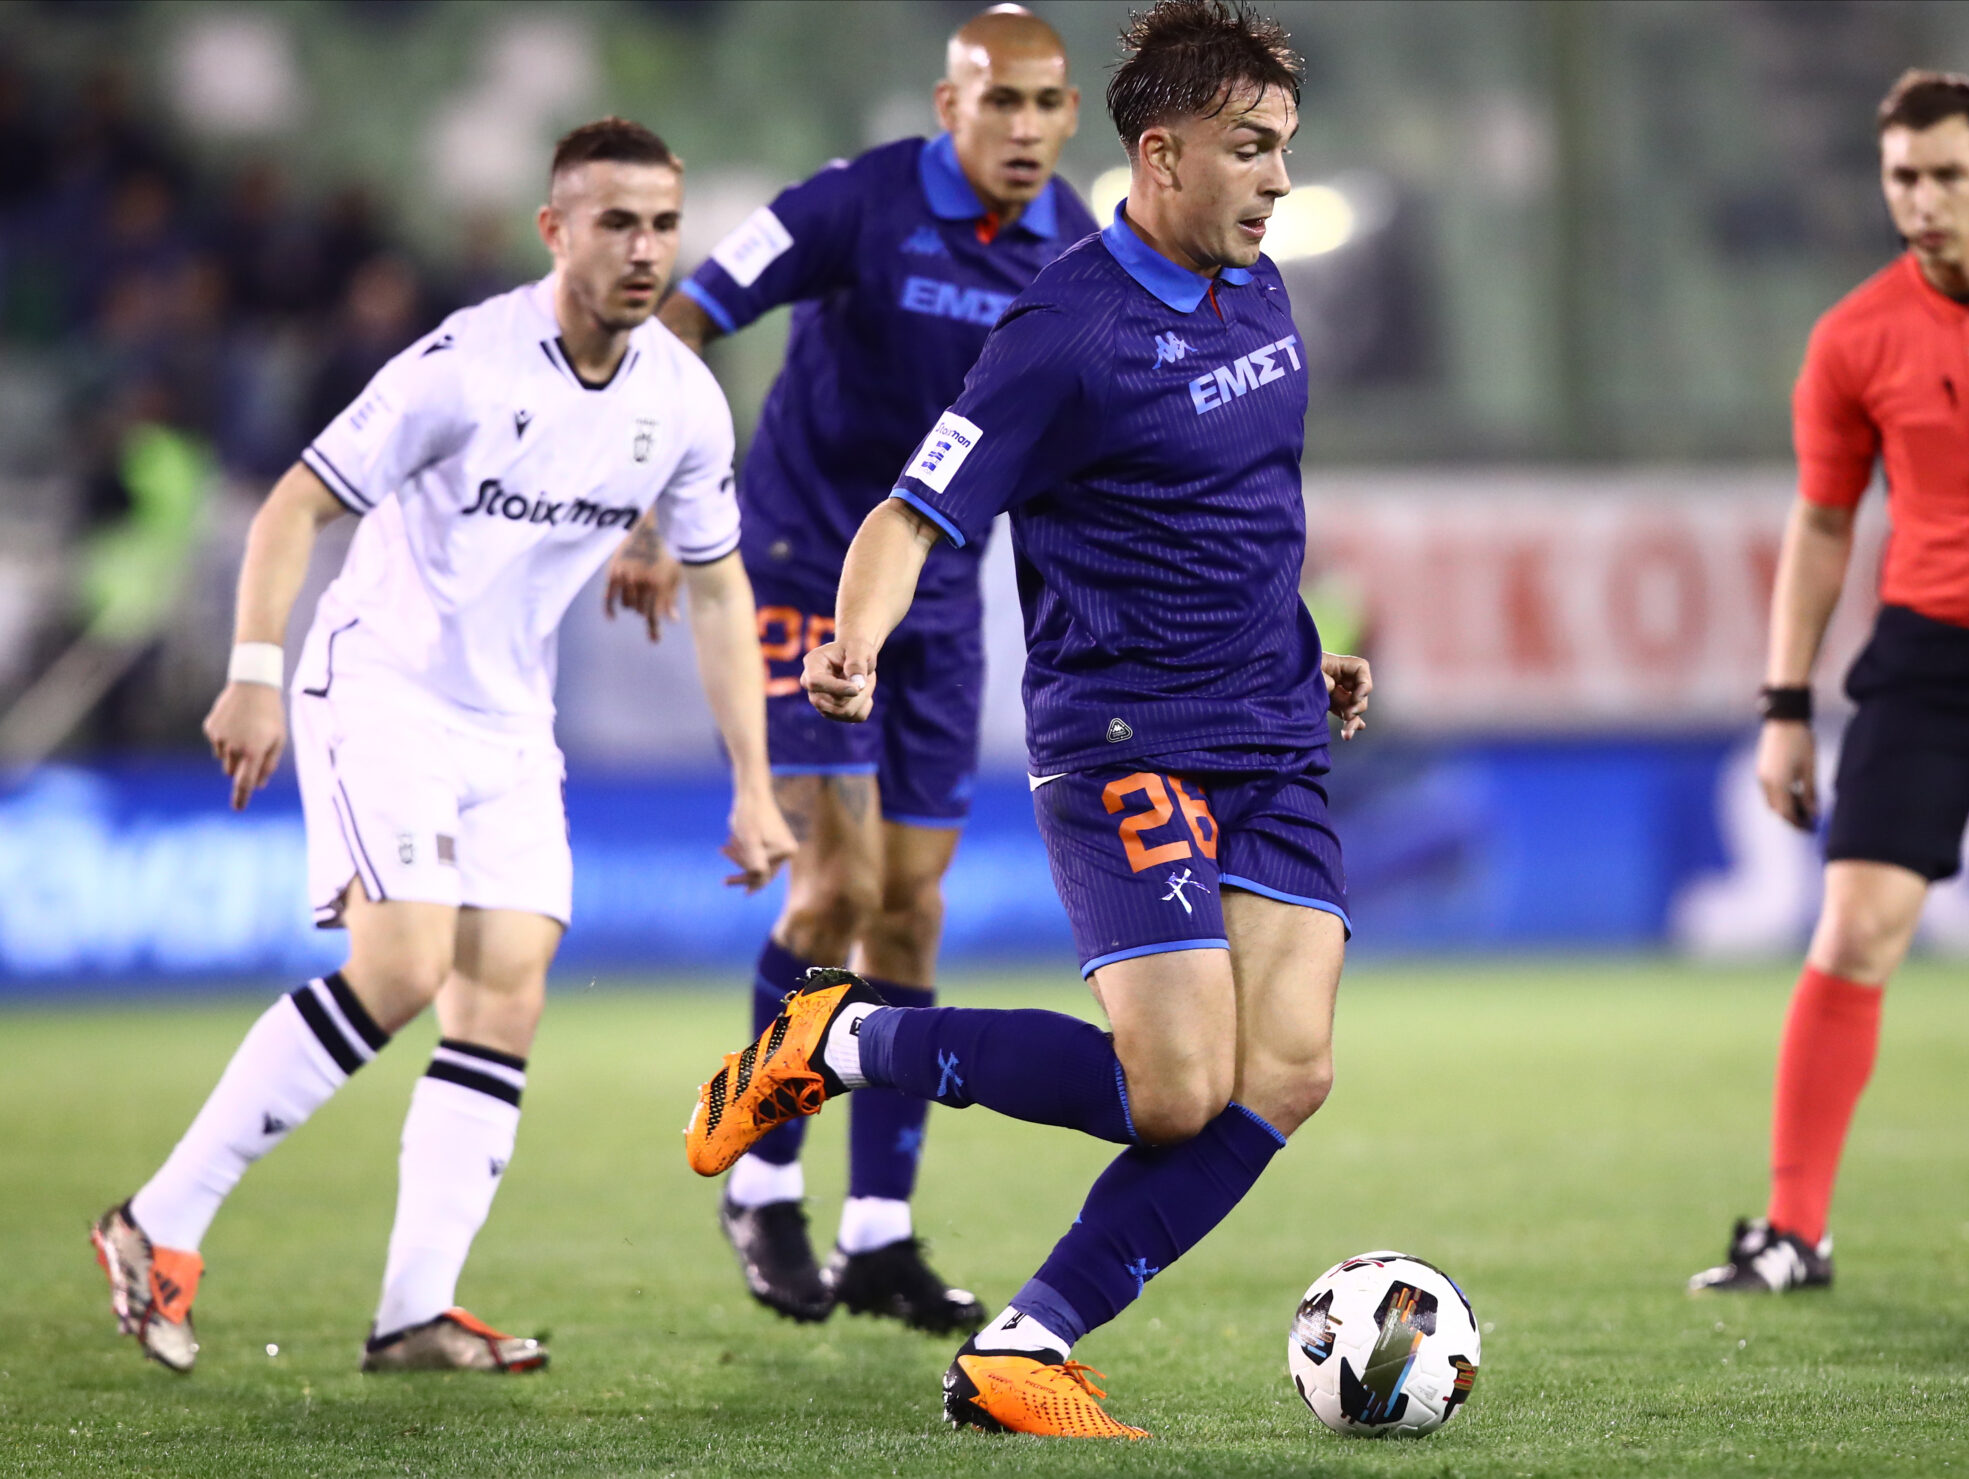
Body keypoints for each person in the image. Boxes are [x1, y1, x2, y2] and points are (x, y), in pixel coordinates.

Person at [680, 0, 1373, 1437]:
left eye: (1285, 147)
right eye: (1252, 149)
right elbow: (912, 510)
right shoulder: (1064, 329)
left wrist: (1306, 654)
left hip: (1272, 731)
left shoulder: (1258, 287)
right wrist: (853, 643)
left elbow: (1247, 510)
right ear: (1162, 155)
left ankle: (1021, 1344)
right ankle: (836, 1040)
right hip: (1130, 738)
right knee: (1174, 1092)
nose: (1279, 180)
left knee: (1289, 1072)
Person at [90, 118, 794, 1372]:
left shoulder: (683, 398)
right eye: (616, 223)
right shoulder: (462, 365)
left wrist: (752, 782)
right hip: (383, 689)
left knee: (505, 993)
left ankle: (413, 1312)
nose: (644, 249)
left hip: (510, 721)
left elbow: (719, 587)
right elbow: (293, 505)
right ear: (555, 230)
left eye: (662, 225)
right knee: (404, 967)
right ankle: (156, 1224)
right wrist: (251, 676)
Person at [605, 4, 1092, 1335]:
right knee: (833, 891)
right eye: (1000, 101)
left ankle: (877, 1232)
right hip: (801, 573)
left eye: (1047, 103)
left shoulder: (1071, 241)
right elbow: (684, 320)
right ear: (950, 106)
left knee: (912, 909)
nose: (1026, 128)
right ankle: (761, 1178)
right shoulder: (852, 204)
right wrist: (651, 509)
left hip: (941, 600)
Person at [1691, 71, 1969, 1294]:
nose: (1922, 199)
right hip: (1929, 660)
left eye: (1945, 174)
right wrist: (1784, 705)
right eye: (1902, 176)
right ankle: (1793, 1233)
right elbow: (1821, 522)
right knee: (1850, 929)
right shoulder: (1852, 336)